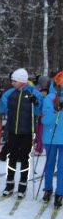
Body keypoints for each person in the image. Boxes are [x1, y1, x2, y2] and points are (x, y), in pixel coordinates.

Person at [0, 68, 42, 198]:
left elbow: (38, 111)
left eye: (14, 81)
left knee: (24, 158)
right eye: (12, 80)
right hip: (13, 131)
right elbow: (2, 109)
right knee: (12, 157)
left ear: (22, 81)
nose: (12, 83)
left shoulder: (32, 93)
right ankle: (10, 184)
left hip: (27, 132)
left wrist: (35, 103)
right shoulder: (10, 93)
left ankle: (22, 186)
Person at [40, 71, 63, 207]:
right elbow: (45, 120)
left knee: (61, 167)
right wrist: (56, 111)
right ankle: (48, 189)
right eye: (59, 83)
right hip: (50, 137)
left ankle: (60, 193)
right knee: (49, 164)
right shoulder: (49, 98)